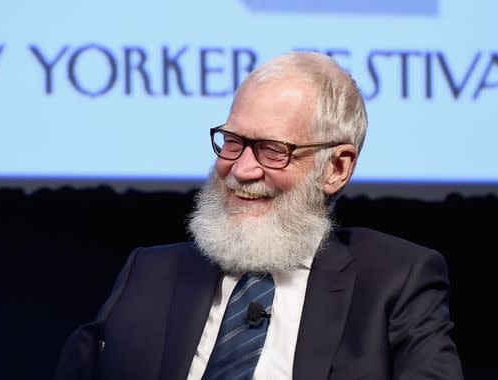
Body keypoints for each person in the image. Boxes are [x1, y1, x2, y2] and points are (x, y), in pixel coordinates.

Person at [54, 51, 463, 380]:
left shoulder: (395, 279)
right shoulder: (150, 272)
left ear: (336, 168)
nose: (241, 168)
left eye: (272, 150)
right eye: (233, 141)